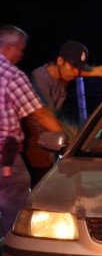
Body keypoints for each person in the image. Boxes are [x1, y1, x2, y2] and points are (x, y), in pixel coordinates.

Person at [22, 40, 102, 186]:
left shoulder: (66, 72)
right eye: (72, 67)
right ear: (60, 60)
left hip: (50, 150)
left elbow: (100, 70)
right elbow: (45, 117)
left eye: (78, 69)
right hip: (34, 153)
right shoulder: (40, 79)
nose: (75, 73)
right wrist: (73, 143)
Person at [0, 25, 65, 236]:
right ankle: (11, 245)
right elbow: (40, 114)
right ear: (11, 47)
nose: (21, 55)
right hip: (5, 158)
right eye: (20, 49)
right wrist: (71, 142)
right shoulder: (12, 75)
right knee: (18, 197)